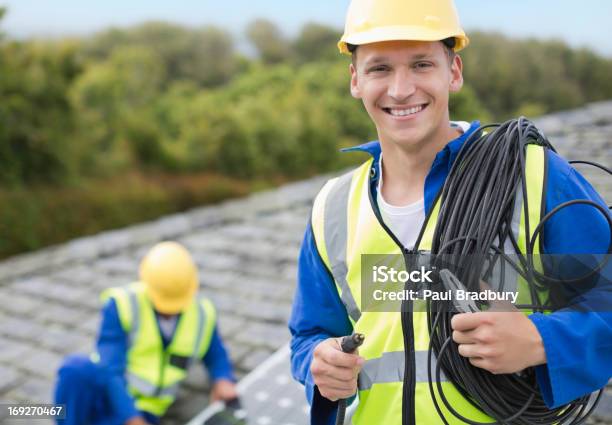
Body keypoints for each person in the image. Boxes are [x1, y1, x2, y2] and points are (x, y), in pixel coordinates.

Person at [288, 0, 611, 424]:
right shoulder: (333, 208)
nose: (401, 89)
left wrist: (541, 341)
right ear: (355, 80)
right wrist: (317, 363)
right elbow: (310, 334)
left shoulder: (532, 176)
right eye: (379, 68)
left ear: (453, 72)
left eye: (421, 64)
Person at [55, 241, 237, 425]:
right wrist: (132, 418)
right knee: (74, 369)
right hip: (108, 395)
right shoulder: (123, 304)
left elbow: (216, 353)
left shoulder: (202, 315)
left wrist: (223, 379)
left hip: (146, 410)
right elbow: (110, 369)